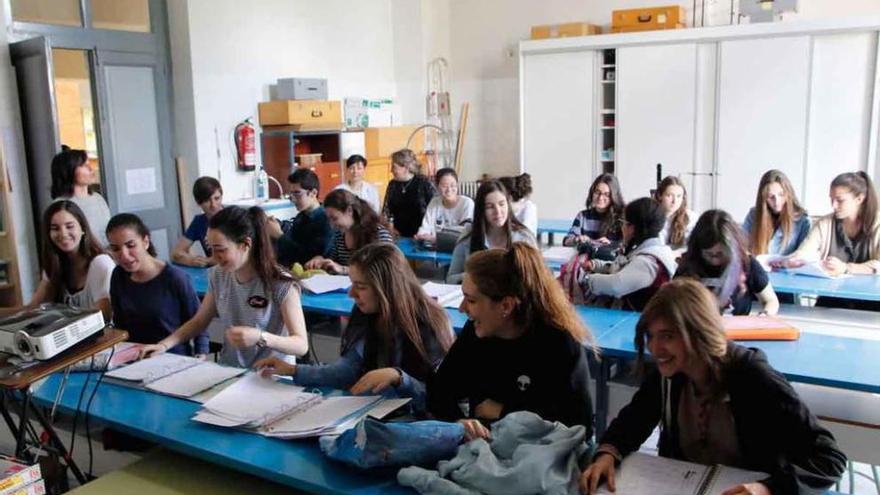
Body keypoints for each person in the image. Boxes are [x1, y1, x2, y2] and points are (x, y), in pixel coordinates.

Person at [579, 279, 846, 495]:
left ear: (698, 334)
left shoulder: (752, 376)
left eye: (668, 336)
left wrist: (767, 489)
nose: (655, 348)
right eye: (651, 336)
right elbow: (633, 420)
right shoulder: (669, 373)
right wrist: (607, 454)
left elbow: (829, 459)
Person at [429, 242, 596, 440]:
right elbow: (439, 393)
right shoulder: (475, 333)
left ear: (506, 306)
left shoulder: (559, 344)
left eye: (471, 300)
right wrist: (459, 423)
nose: (462, 308)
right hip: (484, 451)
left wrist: (505, 411)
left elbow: (579, 424)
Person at [256, 243, 453, 410]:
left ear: (387, 288)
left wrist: (399, 378)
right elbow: (348, 369)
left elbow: (441, 399)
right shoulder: (367, 312)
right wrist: (293, 370)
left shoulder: (429, 324)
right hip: (373, 411)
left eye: (361, 287)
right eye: (352, 284)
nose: (351, 294)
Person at [139, 206, 309, 368]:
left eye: (220, 249)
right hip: (231, 371)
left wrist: (261, 337)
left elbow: (301, 345)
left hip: (271, 375)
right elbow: (199, 321)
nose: (214, 257)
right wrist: (163, 345)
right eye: (211, 249)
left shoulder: (281, 283)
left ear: (245, 244)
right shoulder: (218, 275)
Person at [106, 213, 207, 356]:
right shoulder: (118, 275)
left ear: (145, 241)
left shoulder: (175, 278)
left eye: (130, 245)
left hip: (172, 358)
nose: (124, 255)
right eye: (116, 249)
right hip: (133, 359)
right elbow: (120, 326)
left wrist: (200, 355)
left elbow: (199, 323)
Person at [780, 172, 880, 310]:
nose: (833, 205)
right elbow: (805, 251)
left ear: (859, 199)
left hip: (873, 299)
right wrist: (794, 260)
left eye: (840, 200)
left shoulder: (877, 225)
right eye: (831, 199)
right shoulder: (824, 223)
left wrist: (846, 268)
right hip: (834, 296)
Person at [0, 201, 113, 320]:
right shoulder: (54, 265)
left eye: (69, 226)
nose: (63, 234)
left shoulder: (100, 263)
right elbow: (32, 309)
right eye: (55, 228)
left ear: (82, 228)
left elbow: (102, 317)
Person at [675, 210, 779, 316]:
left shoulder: (746, 263)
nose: (715, 260)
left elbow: (771, 300)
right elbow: (672, 302)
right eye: (709, 254)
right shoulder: (689, 264)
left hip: (739, 330)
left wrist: (764, 315)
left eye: (720, 254)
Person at [580, 198, 677, 311]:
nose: (622, 227)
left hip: (635, 320)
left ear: (632, 228)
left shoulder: (648, 262)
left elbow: (615, 285)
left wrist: (586, 279)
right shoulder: (652, 248)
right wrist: (597, 265)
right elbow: (625, 267)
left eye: (623, 223)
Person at [446, 180, 536, 284]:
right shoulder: (468, 238)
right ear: (481, 210)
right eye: (490, 207)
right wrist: (472, 276)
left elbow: (537, 278)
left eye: (502, 204)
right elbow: (450, 279)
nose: (498, 211)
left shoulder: (524, 237)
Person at [305, 189, 393, 275]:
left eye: (335, 218)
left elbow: (384, 271)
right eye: (329, 220)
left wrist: (344, 269)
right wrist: (322, 261)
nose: (331, 225)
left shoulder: (379, 234)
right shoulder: (340, 235)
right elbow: (334, 262)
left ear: (349, 211)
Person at [267, 168, 333, 268]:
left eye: (297, 193)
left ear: (313, 193)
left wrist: (279, 236)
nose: (293, 200)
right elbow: (291, 241)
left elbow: (307, 257)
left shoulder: (326, 220)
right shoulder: (301, 216)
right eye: (291, 194)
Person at [50, 148, 111, 246]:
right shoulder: (61, 205)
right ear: (69, 170)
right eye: (84, 165)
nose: (91, 169)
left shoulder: (97, 198)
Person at [743, 170, 811, 256]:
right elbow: (741, 245)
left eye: (781, 195)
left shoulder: (803, 220)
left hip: (788, 268)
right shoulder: (753, 215)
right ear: (763, 198)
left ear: (788, 194)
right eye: (771, 197)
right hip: (758, 267)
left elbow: (804, 256)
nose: (776, 201)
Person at [382, 149, 436, 237]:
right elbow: (386, 211)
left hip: (421, 235)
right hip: (398, 235)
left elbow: (435, 209)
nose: (391, 170)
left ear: (406, 168)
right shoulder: (393, 184)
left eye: (394, 167)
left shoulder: (424, 182)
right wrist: (390, 227)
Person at [172, 176, 224, 267]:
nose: (214, 205)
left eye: (217, 198)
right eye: (207, 200)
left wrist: (207, 261)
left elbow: (236, 256)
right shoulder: (199, 222)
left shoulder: (234, 218)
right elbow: (176, 253)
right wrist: (191, 260)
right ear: (198, 202)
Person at [564, 173, 625, 248]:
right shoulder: (582, 216)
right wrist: (577, 239)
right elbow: (566, 241)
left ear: (614, 196)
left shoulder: (621, 218)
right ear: (592, 192)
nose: (600, 197)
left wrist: (611, 245)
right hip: (585, 258)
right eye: (597, 192)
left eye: (606, 194)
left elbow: (627, 246)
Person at [414, 168, 474, 242]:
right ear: (437, 186)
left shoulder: (467, 203)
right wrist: (421, 235)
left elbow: (465, 234)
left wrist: (435, 239)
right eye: (444, 186)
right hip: (435, 247)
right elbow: (426, 226)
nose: (449, 190)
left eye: (453, 185)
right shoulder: (434, 202)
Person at [654, 176, 695, 254]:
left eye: (679, 196)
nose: (674, 201)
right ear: (660, 195)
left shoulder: (691, 218)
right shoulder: (650, 216)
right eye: (669, 195)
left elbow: (691, 248)